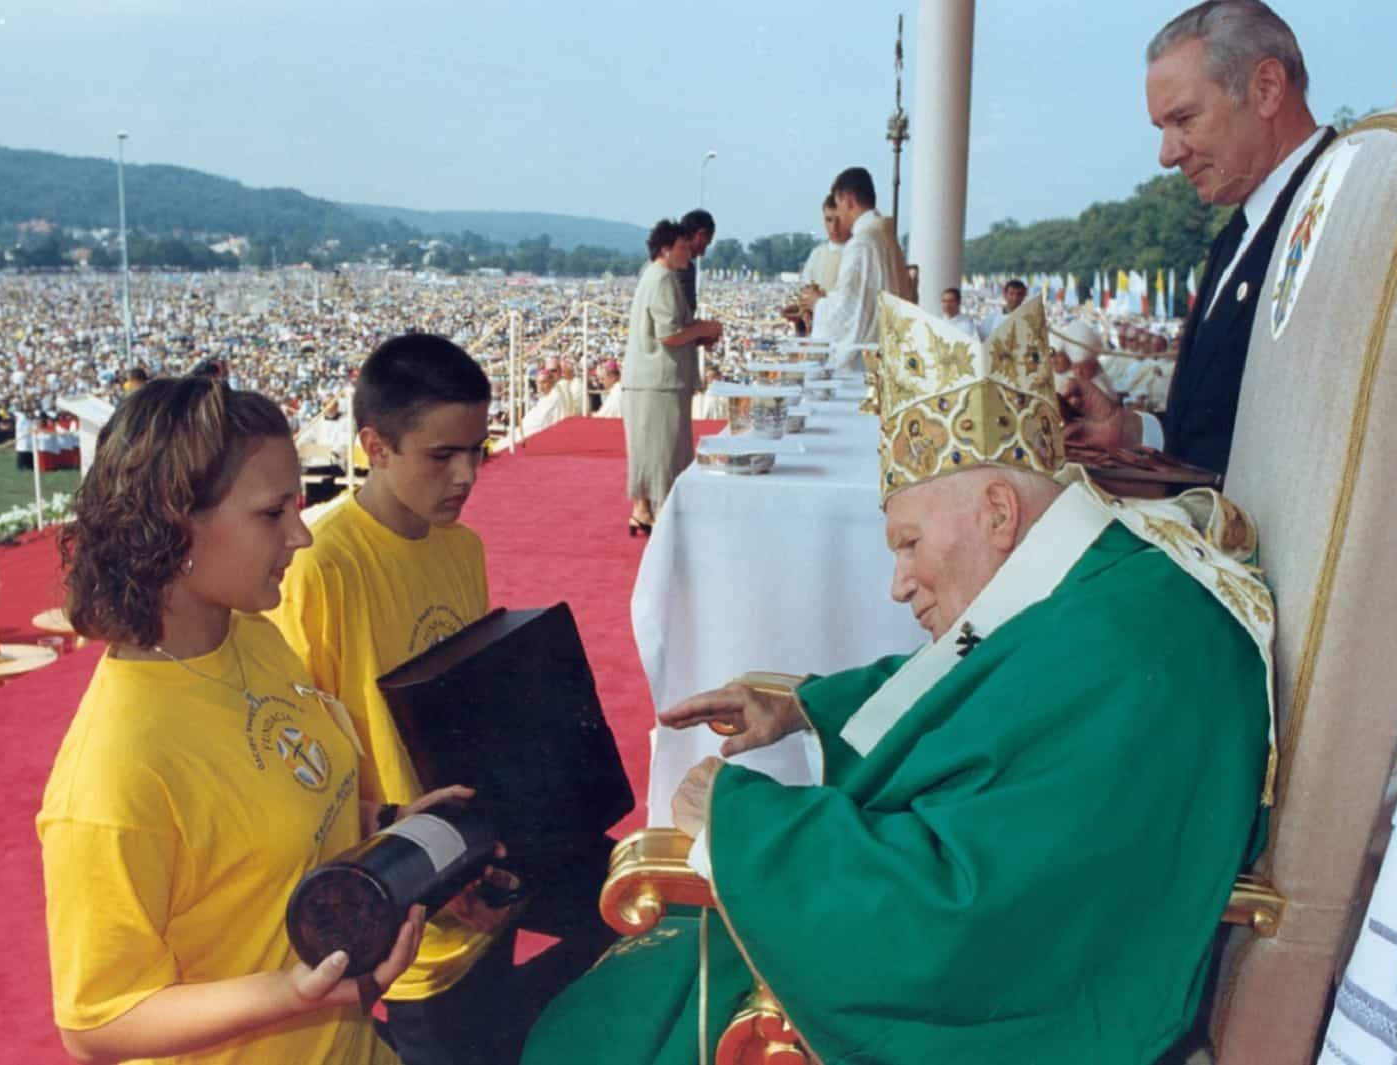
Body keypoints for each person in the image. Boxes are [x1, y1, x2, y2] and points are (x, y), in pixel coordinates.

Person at [522, 296, 1275, 1065]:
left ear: (997, 510)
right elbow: (990, 675)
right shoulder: (1097, 575)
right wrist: (803, 706)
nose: (899, 582)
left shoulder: (1122, 647)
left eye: (908, 543)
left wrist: (741, 823)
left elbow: (966, 916)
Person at [38, 376, 453, 1065]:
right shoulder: (115, 770)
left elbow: (275, 809)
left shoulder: (252, 636)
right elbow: (96, 1021)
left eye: (297, 504)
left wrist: (390, 822)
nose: (300, 533)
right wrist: (292, 992)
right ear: (175, 527)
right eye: (271, 514)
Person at [271, 335, 613, 1065]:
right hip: (406, 911)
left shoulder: (461, 548)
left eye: (478, 450)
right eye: (440, 455)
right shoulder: (319, 567)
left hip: (484, 869)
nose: (466, 475)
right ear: (375, 446)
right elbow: (299, 769)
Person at [1062, 0, 1331, 476]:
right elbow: (1227, 427)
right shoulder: (1241, 229)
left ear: (1267, 89)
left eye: (1184, 120)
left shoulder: (1345, 214)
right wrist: (1130, 432)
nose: (1167, 155)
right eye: (1162, 127)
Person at [623, 220, 721, 534]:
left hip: (647, 379)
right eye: (683, 247)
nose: (689, 254)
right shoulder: (664, 278)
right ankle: (665, 515)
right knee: (665, 452)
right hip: (660, 380)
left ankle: (643, 510)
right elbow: (670, 333)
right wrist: (705, 329)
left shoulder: (651, 276)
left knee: (648, 450)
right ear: (666, 248)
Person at [805, 167, 908, 363]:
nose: (840, 216)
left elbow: (846, 313)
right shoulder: (885, 236)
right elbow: (863, 298)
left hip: (863, 363)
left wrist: (818, 303)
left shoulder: (862, 242)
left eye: (838, 205)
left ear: (848, 199)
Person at [799, 194, 846, 296]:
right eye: (829, 220)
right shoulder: (817, 255)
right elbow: (805, 291)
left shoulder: (860, 252)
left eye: (840, 220)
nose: (834, 227)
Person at [673, 209, 715, 314]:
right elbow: (683, 319)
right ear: (700, 235)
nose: (702, 254)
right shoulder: (683, 268)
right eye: (706, 244)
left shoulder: (654, 264)